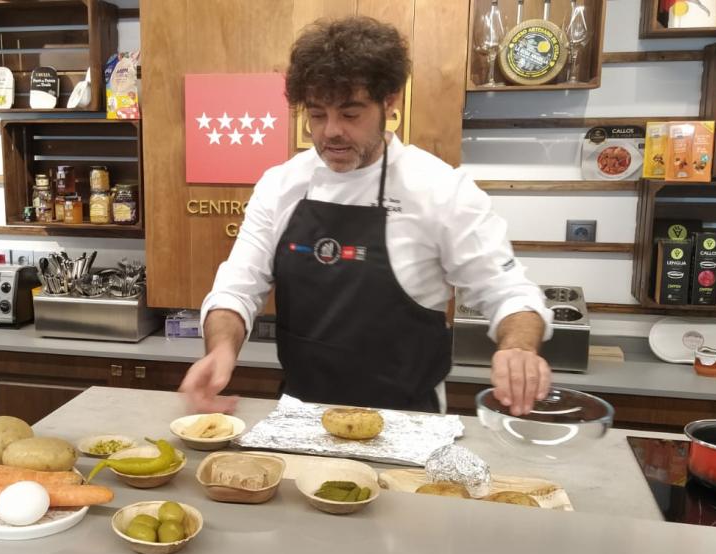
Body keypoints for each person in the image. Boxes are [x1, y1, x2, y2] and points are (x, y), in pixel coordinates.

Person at [179, 16, 553, 416]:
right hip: (301, 419)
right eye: (318, 114)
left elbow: (508, 292)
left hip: (408, 424)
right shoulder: (281, 185)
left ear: (389, 101)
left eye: (351, 114)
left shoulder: (441, 191)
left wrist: (518, 347)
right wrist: (220, 348)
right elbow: (237, 289)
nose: (330, 132)